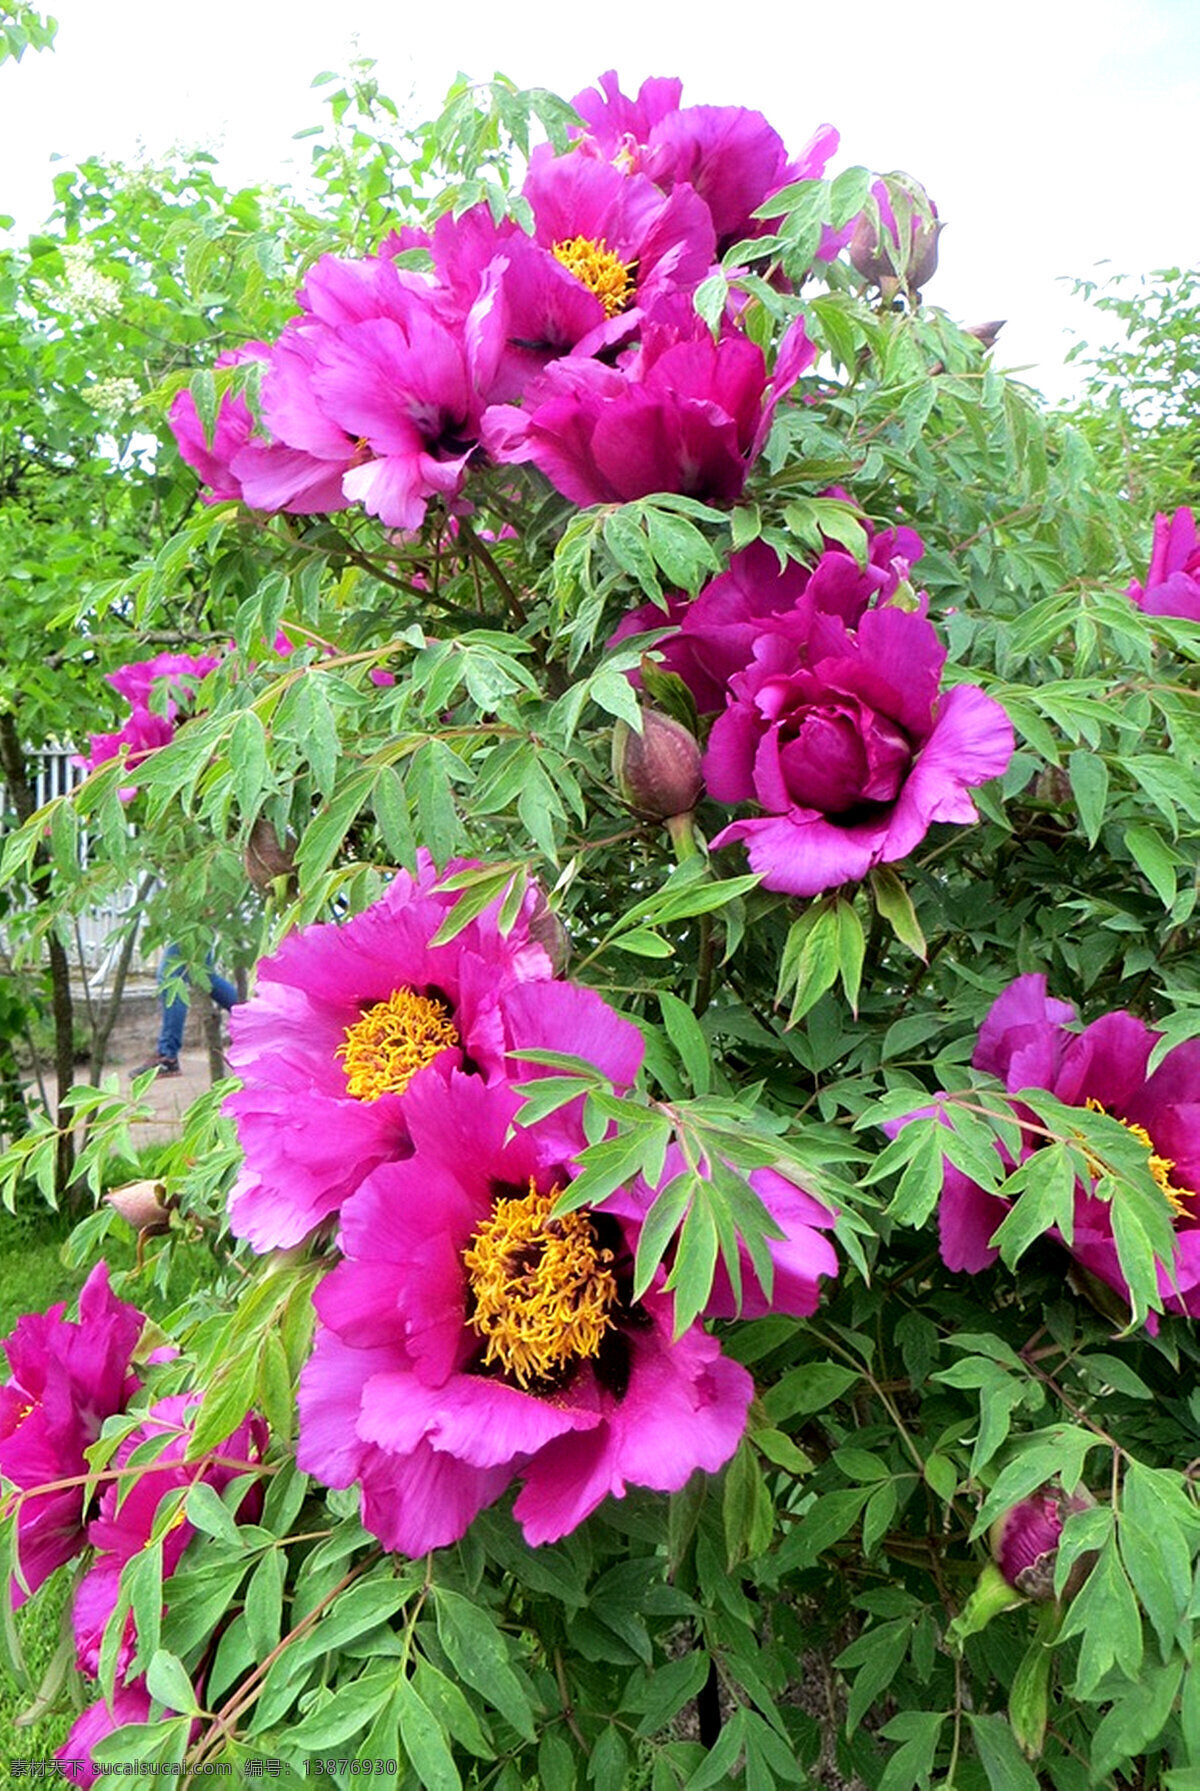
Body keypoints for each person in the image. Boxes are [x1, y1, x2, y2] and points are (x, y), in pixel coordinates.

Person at [134, 944, 240, 1077]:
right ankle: (253, 1017)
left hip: (188, 924)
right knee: (204, 975)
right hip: (200, 924)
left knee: (170, 979)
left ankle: (168, 1056)